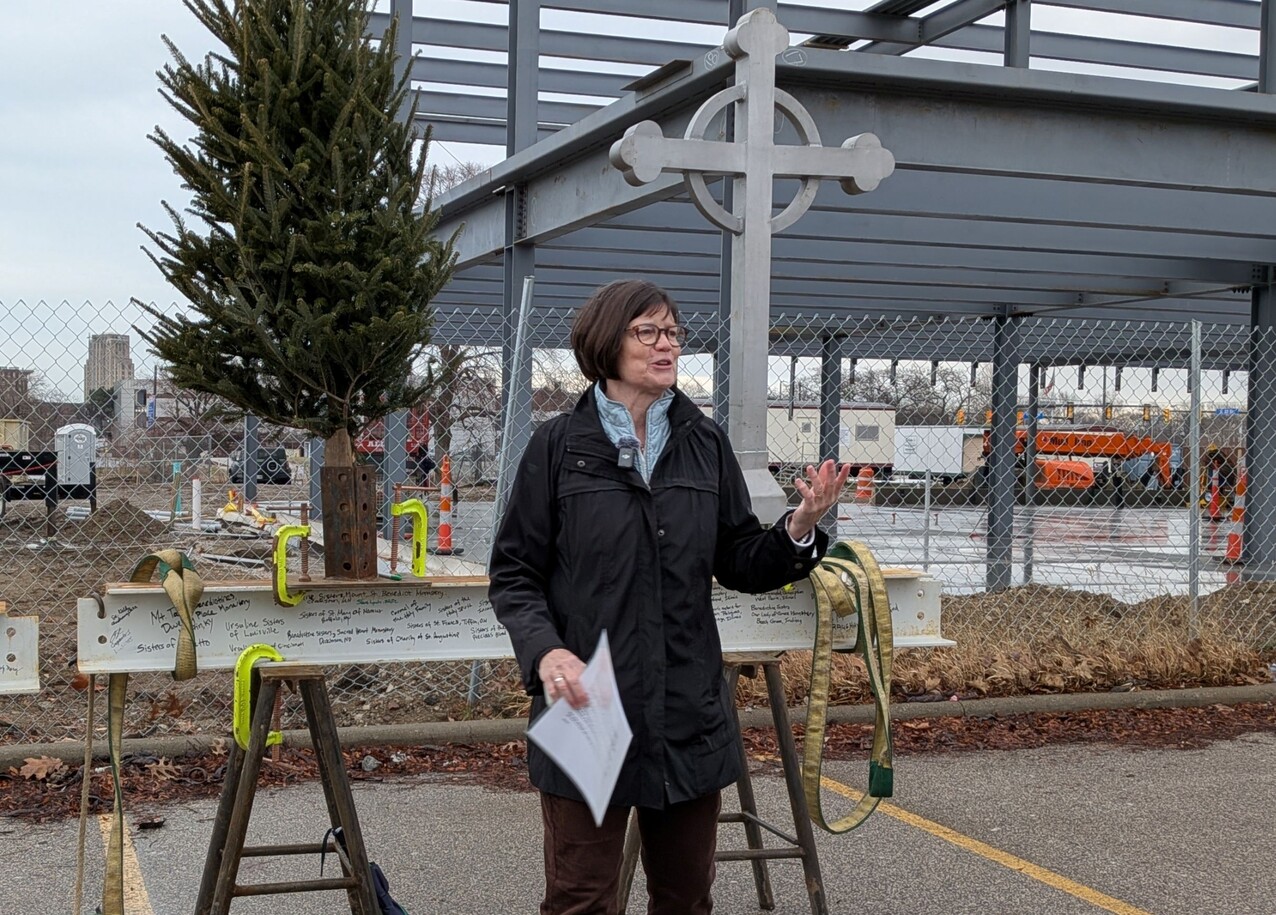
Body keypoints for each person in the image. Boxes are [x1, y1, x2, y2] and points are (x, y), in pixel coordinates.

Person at [488, 278, 850, 915]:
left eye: (674, 334)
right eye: (648, 332)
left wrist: (799, 526)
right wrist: (545, 652)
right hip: (589, 700)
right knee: (581, 898)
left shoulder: (703, 442)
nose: (667, 346)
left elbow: (738, 559)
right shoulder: (558, 446)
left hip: (686, 704)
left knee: (685, 898)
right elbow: (515, 572)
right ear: (607, 342)